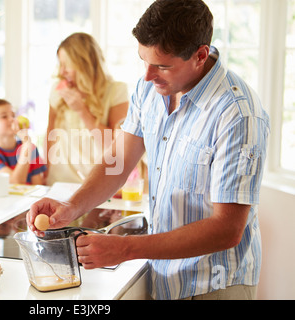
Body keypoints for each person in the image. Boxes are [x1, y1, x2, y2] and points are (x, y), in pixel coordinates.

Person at [28, 0, 270, 300]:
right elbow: (118, 162)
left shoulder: (237, 114)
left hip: (216, 285)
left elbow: (228, 229)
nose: (147, 75)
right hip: (164, 279)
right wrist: (72, 206)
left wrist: (126, 248)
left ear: (200, 55)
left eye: (162, 66)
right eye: (144, 60)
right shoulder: (150, 90)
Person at [45, 32, 129, 185]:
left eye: (67, 65)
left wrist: (82, 111)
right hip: (59, 181)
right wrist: (44, 174)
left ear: (84, 64)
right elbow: (50, 132)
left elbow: (116, 148)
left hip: (98, 184)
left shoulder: (116, 91)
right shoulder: (58, 90)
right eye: (60, 64)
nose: (61, 72)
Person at [0, 99, 47, 185]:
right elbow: (15, 182)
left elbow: (38, 187)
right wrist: (26, 144)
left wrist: (27, 146)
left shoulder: (31, 148)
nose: (12, 119)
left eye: (13, 115)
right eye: (4, 116)